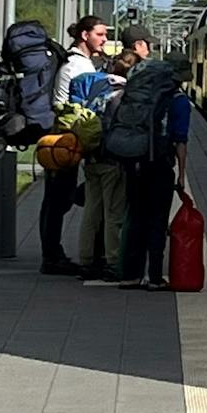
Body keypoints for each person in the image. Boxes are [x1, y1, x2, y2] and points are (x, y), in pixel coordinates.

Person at [39, 13, 106, 275]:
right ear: (84, 35)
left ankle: (52, 254)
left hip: (67, 139)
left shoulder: (78, 63)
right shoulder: (77, 66)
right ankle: (52, 256)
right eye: (100, 34)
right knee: (58, 200)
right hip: (67, 141)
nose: (104, 39)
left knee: (57, 199)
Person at [118, 53, 191, 290]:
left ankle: (130, 275)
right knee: (157, 221)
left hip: (134, 161)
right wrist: (181, 174)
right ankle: (154, 277)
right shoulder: (179, 101)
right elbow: (180, 140)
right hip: (159, 165)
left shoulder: (142, 96)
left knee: (135, 218)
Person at [74, 52, 133, 281]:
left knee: (91, 212)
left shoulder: (98, 89)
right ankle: (113, 262)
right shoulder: (123, 95)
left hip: (91, 159)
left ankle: (85, 261)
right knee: (112, 214)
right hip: (112, 161)